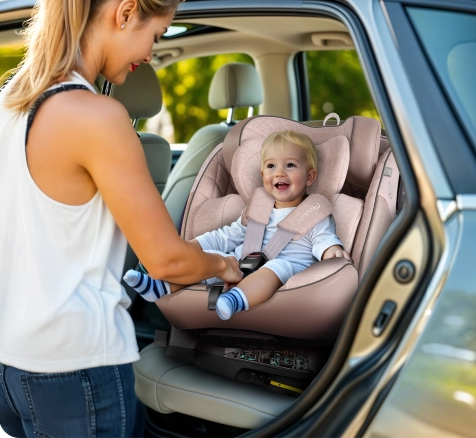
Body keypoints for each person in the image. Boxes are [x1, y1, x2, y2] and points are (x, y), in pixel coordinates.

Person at [0, 0, 242, 438]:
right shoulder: (98, 117)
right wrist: (224, 265)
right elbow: (167, 262)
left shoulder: (10, 104)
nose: (151, 54)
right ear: (126, 12)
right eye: (157, 35)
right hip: (77, 366)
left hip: (12, 364)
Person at [125, 130, 348, 320]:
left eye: (290, 165)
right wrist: (195, 247)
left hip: (287, 270)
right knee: (212, 258)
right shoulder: (258, 208)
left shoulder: (314, 212)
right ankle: (161, 286)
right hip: (242, 267)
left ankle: (234, 300)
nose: (279, 172)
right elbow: (229, 235)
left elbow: (324, 239)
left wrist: (332, 250)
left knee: (276, 267)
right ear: (262, 175)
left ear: (310, 177)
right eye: (271, 166)